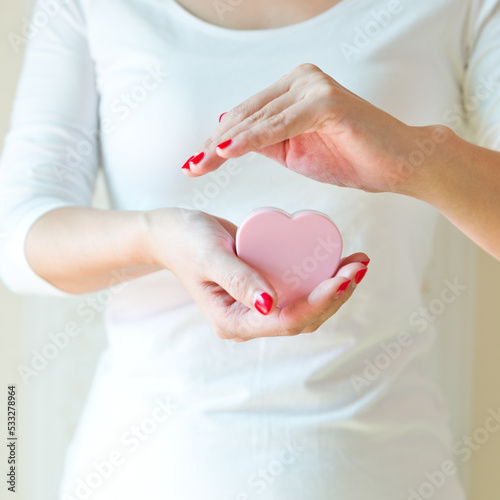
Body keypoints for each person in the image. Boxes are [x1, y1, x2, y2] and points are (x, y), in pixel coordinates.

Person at [0, 0, 499, 498]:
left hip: (384, 471)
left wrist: (416, 160)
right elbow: (17, 237)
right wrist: (154, 238)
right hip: (146, 468)